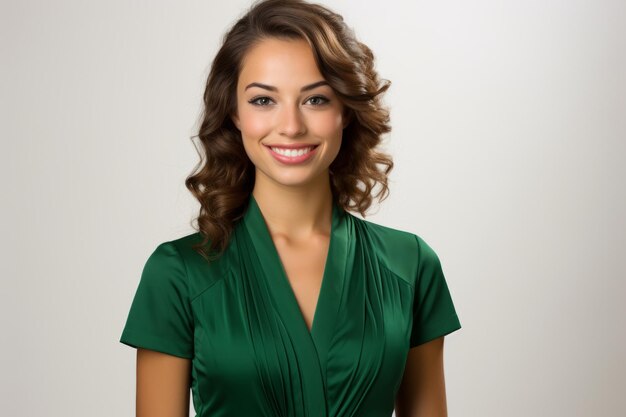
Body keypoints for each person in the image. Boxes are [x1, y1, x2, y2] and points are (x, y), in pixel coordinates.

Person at [119, 0, 462, 416]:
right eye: (264, 101)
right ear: (235, 113)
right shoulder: (178, 273)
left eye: (315, 100)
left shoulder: (410, 265)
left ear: (345, 112)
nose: (292, 126)